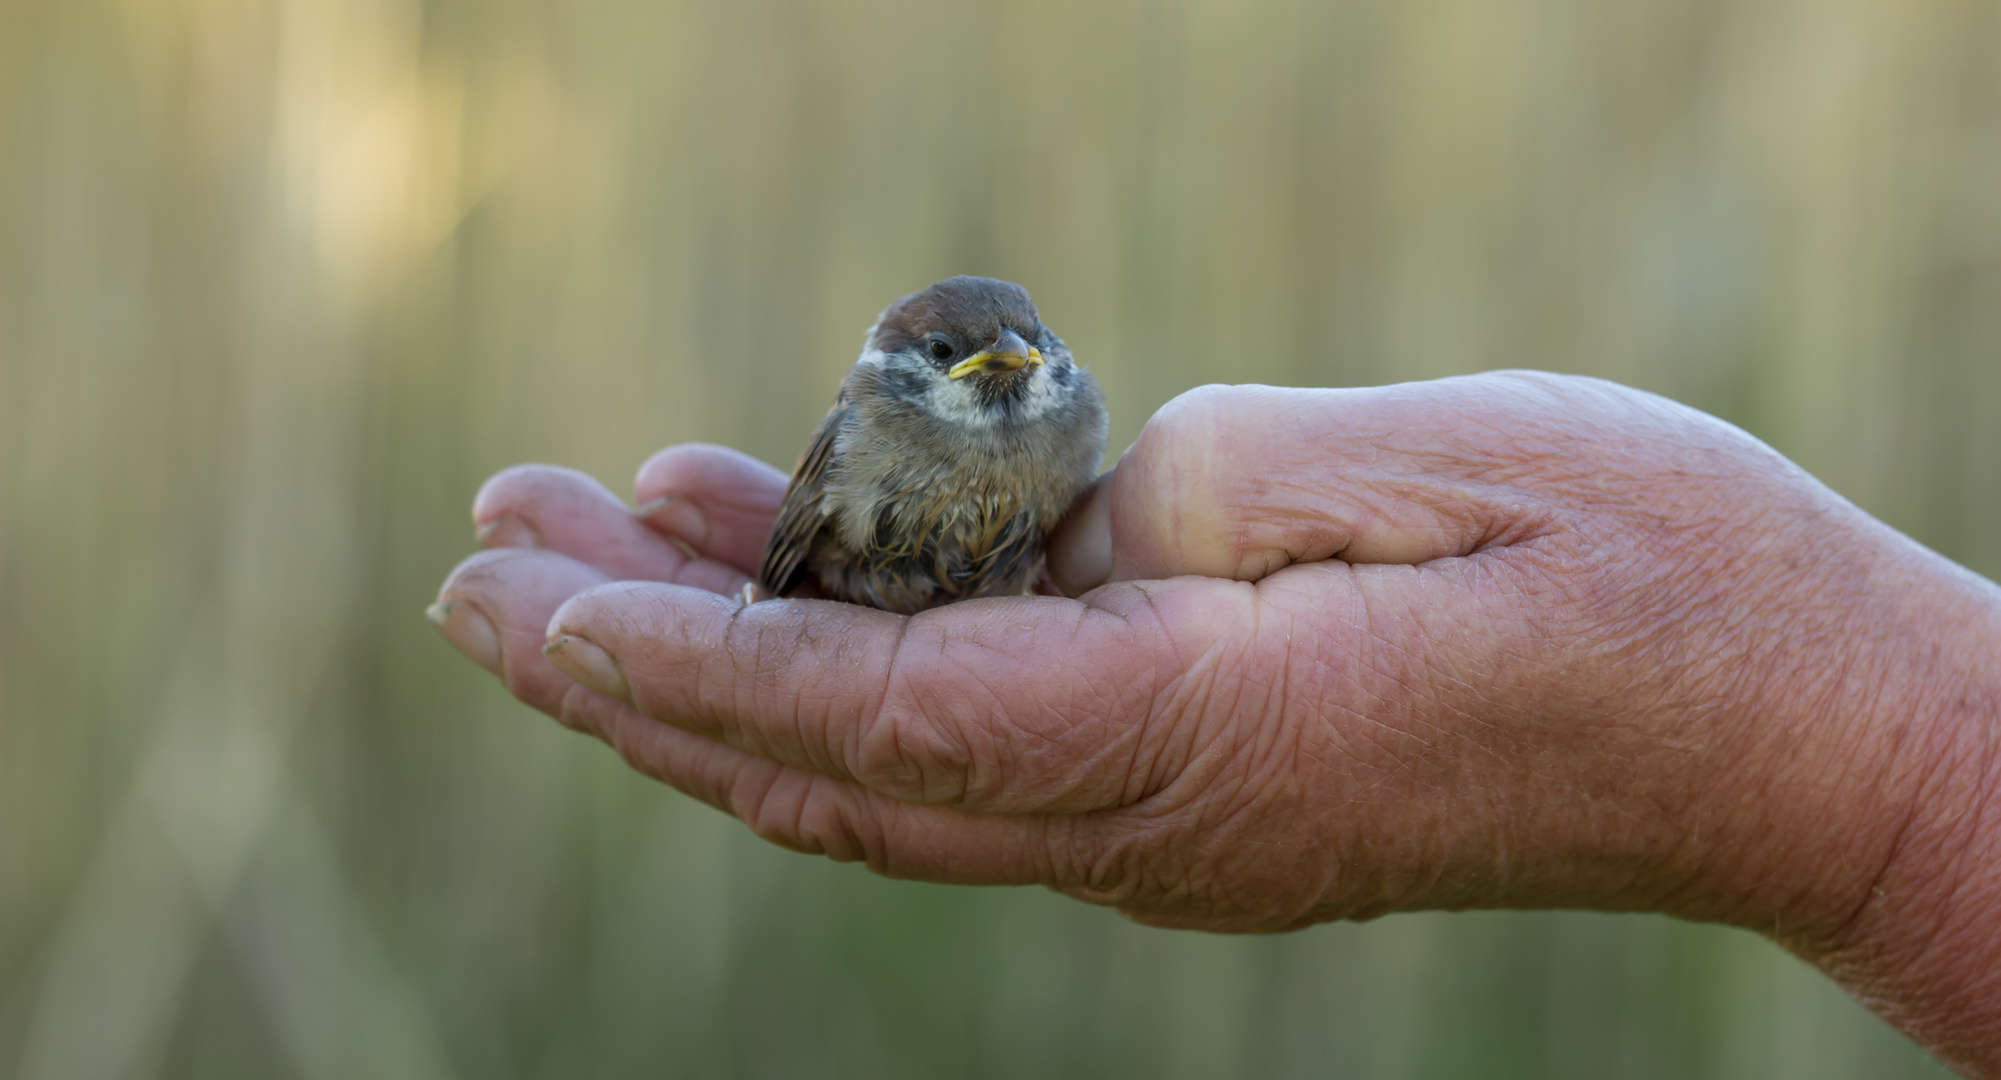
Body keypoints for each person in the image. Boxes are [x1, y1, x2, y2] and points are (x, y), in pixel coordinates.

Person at [429, 372, 2000, 1075]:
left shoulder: (1065, 410)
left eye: (1019, 354)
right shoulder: (865, 431)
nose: (1006, 376)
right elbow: (796, 557)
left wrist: (1877, 781)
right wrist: (778, 616)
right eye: (957, 360)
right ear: (895, 371)